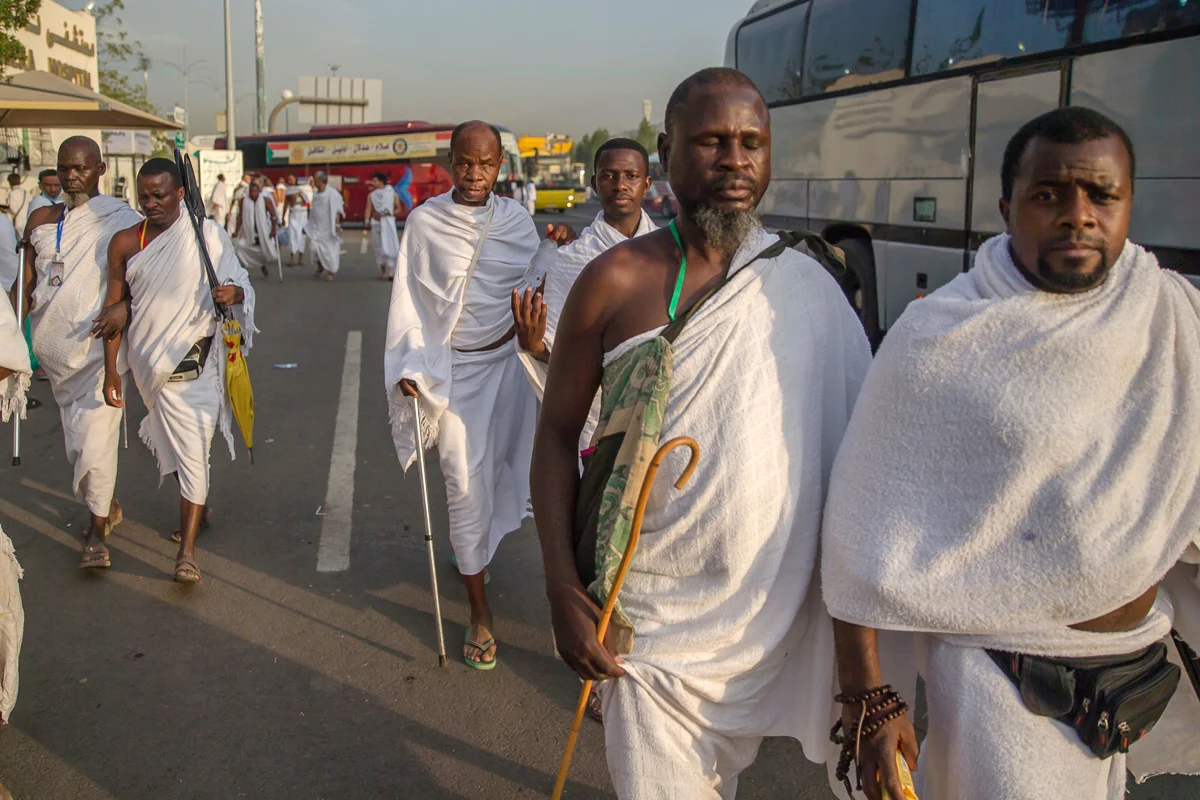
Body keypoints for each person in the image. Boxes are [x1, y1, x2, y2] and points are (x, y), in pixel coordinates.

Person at [821, 107, 1200, 800]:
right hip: (1001, 681)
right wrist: (868, 695)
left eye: (1102, 196)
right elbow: (857, 531)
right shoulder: (940, 338)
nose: (1078, 215)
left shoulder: (1168, 313)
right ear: (1007, 208)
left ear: (1129, 205)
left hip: (1127, 676)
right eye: (1049, 195)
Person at [532, 68, 869, 798]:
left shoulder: (807, 288)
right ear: (667, 150)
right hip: (649, 627)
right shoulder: (613, 282)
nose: (735, 161)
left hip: (769, 620)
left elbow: (862, 472)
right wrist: (561, 584)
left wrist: (867, 674)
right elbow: (558, 436)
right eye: (712, 141)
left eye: (752, 143)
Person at [385, 120, 540, 670]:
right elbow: (408, 302)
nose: (475, 175)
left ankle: (474, 550)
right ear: (450, 163)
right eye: (465, 163)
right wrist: (409, 364)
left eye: (487, 164)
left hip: (510, 369)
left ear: (501, 166)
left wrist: (560, 246)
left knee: (502, 470)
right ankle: (480, 613)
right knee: (461, 480)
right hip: (453, 374)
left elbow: (538, 277)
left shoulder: (519, 221)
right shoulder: (425, 223)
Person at [101, 159, 256, 585]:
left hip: (198, 366)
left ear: (180, 194)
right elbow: (113, 312)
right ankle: (198, 512)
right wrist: (112, 374)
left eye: (159, 196)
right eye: (144, 196)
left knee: (193, 453)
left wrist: (235, 292)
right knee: (177, 453)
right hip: (150, 367)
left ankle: (186, 553)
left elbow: (242, 282)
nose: (150, 204)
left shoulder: (206, 234)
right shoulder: (125, 243)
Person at [11, 136, 143, 569]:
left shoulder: (121, 222)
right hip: (55, 362)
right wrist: (10, 336)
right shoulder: (40, 221)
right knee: (79, 448)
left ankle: (96, 533)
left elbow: (139, 285)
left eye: (81, 168)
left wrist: (125, 307)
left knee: (94, 445)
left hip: (99, 357)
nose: (71, 176)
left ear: (100, 170)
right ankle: (106, 504)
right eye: (65, 168)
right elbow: (25, 286)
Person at [514, 137, 656, 452]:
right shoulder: (570, 259)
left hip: (661, 406)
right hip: (593, 413)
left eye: (631, 176)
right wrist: (535, 346)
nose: (620, 185)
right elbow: (555, 349)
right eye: (609, 175)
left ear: (646, 184)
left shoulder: (669, 255)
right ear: (594, 183)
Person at [233, 179, 279, 278]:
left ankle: (263, 264)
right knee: (240, 246)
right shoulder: (244, 201)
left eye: (255, 192)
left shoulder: (266, 200)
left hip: (263, 231)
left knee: (265, 251)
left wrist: (274, 229)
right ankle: (245, 266)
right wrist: (237, 231)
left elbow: (273, 216)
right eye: (251, 192)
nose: (253, 194)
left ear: (259, 192)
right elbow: (240, 217)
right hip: (248, 232)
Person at [305, 171, 344, 282]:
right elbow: (314, 211)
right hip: (317, 226)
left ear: (321, 180)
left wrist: (337, 225)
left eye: (315, 180)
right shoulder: (316, 194)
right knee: (315, 247)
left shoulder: (332, 193)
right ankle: (320, 266)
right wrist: (310, 225)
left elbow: (337, 210)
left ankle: (330, 271)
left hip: (329, 227)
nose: (314, 182)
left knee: (329, 250)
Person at [366, 171, 401, 280]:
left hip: (388, 223)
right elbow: (368, 209)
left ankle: (390, 271)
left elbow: (398, 209)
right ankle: (383, 270)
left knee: (389, 245)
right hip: (376, 223)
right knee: (379, 248)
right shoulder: (371, 195)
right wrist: (366, 220)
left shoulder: (392, 193)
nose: (372, 183)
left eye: (375, 181)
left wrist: (390, 213)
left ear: (381, 182)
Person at [284, 175, 311, 266]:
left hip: (302, 215)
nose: (289, 180)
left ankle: (300, 259)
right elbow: (286, 204)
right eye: (288, 179)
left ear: (295, 179)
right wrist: (283, 217)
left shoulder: (303, 189)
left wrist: (304, 204)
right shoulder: (288, 191)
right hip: (293, 215)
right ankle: (292, 259)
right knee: (292, 235)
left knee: (302, 236)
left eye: (291, 178)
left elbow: (309, 202)